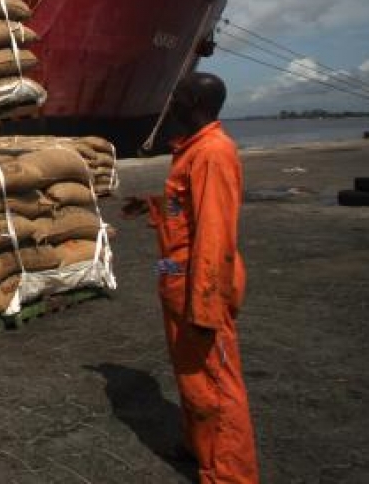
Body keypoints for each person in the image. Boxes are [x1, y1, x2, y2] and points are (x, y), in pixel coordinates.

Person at [146, 72, 259, 482]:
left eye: (176, 96)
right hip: (178, 283)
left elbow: (214, 234)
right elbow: (188, 212)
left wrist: (206, 306)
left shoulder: (212, 153)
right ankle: (199, 446)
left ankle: (230, 475)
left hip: (200, 289)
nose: (169, 102)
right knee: (192, 376)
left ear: (192, 102)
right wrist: (155, 210)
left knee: (218, 386)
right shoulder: (191, 152)